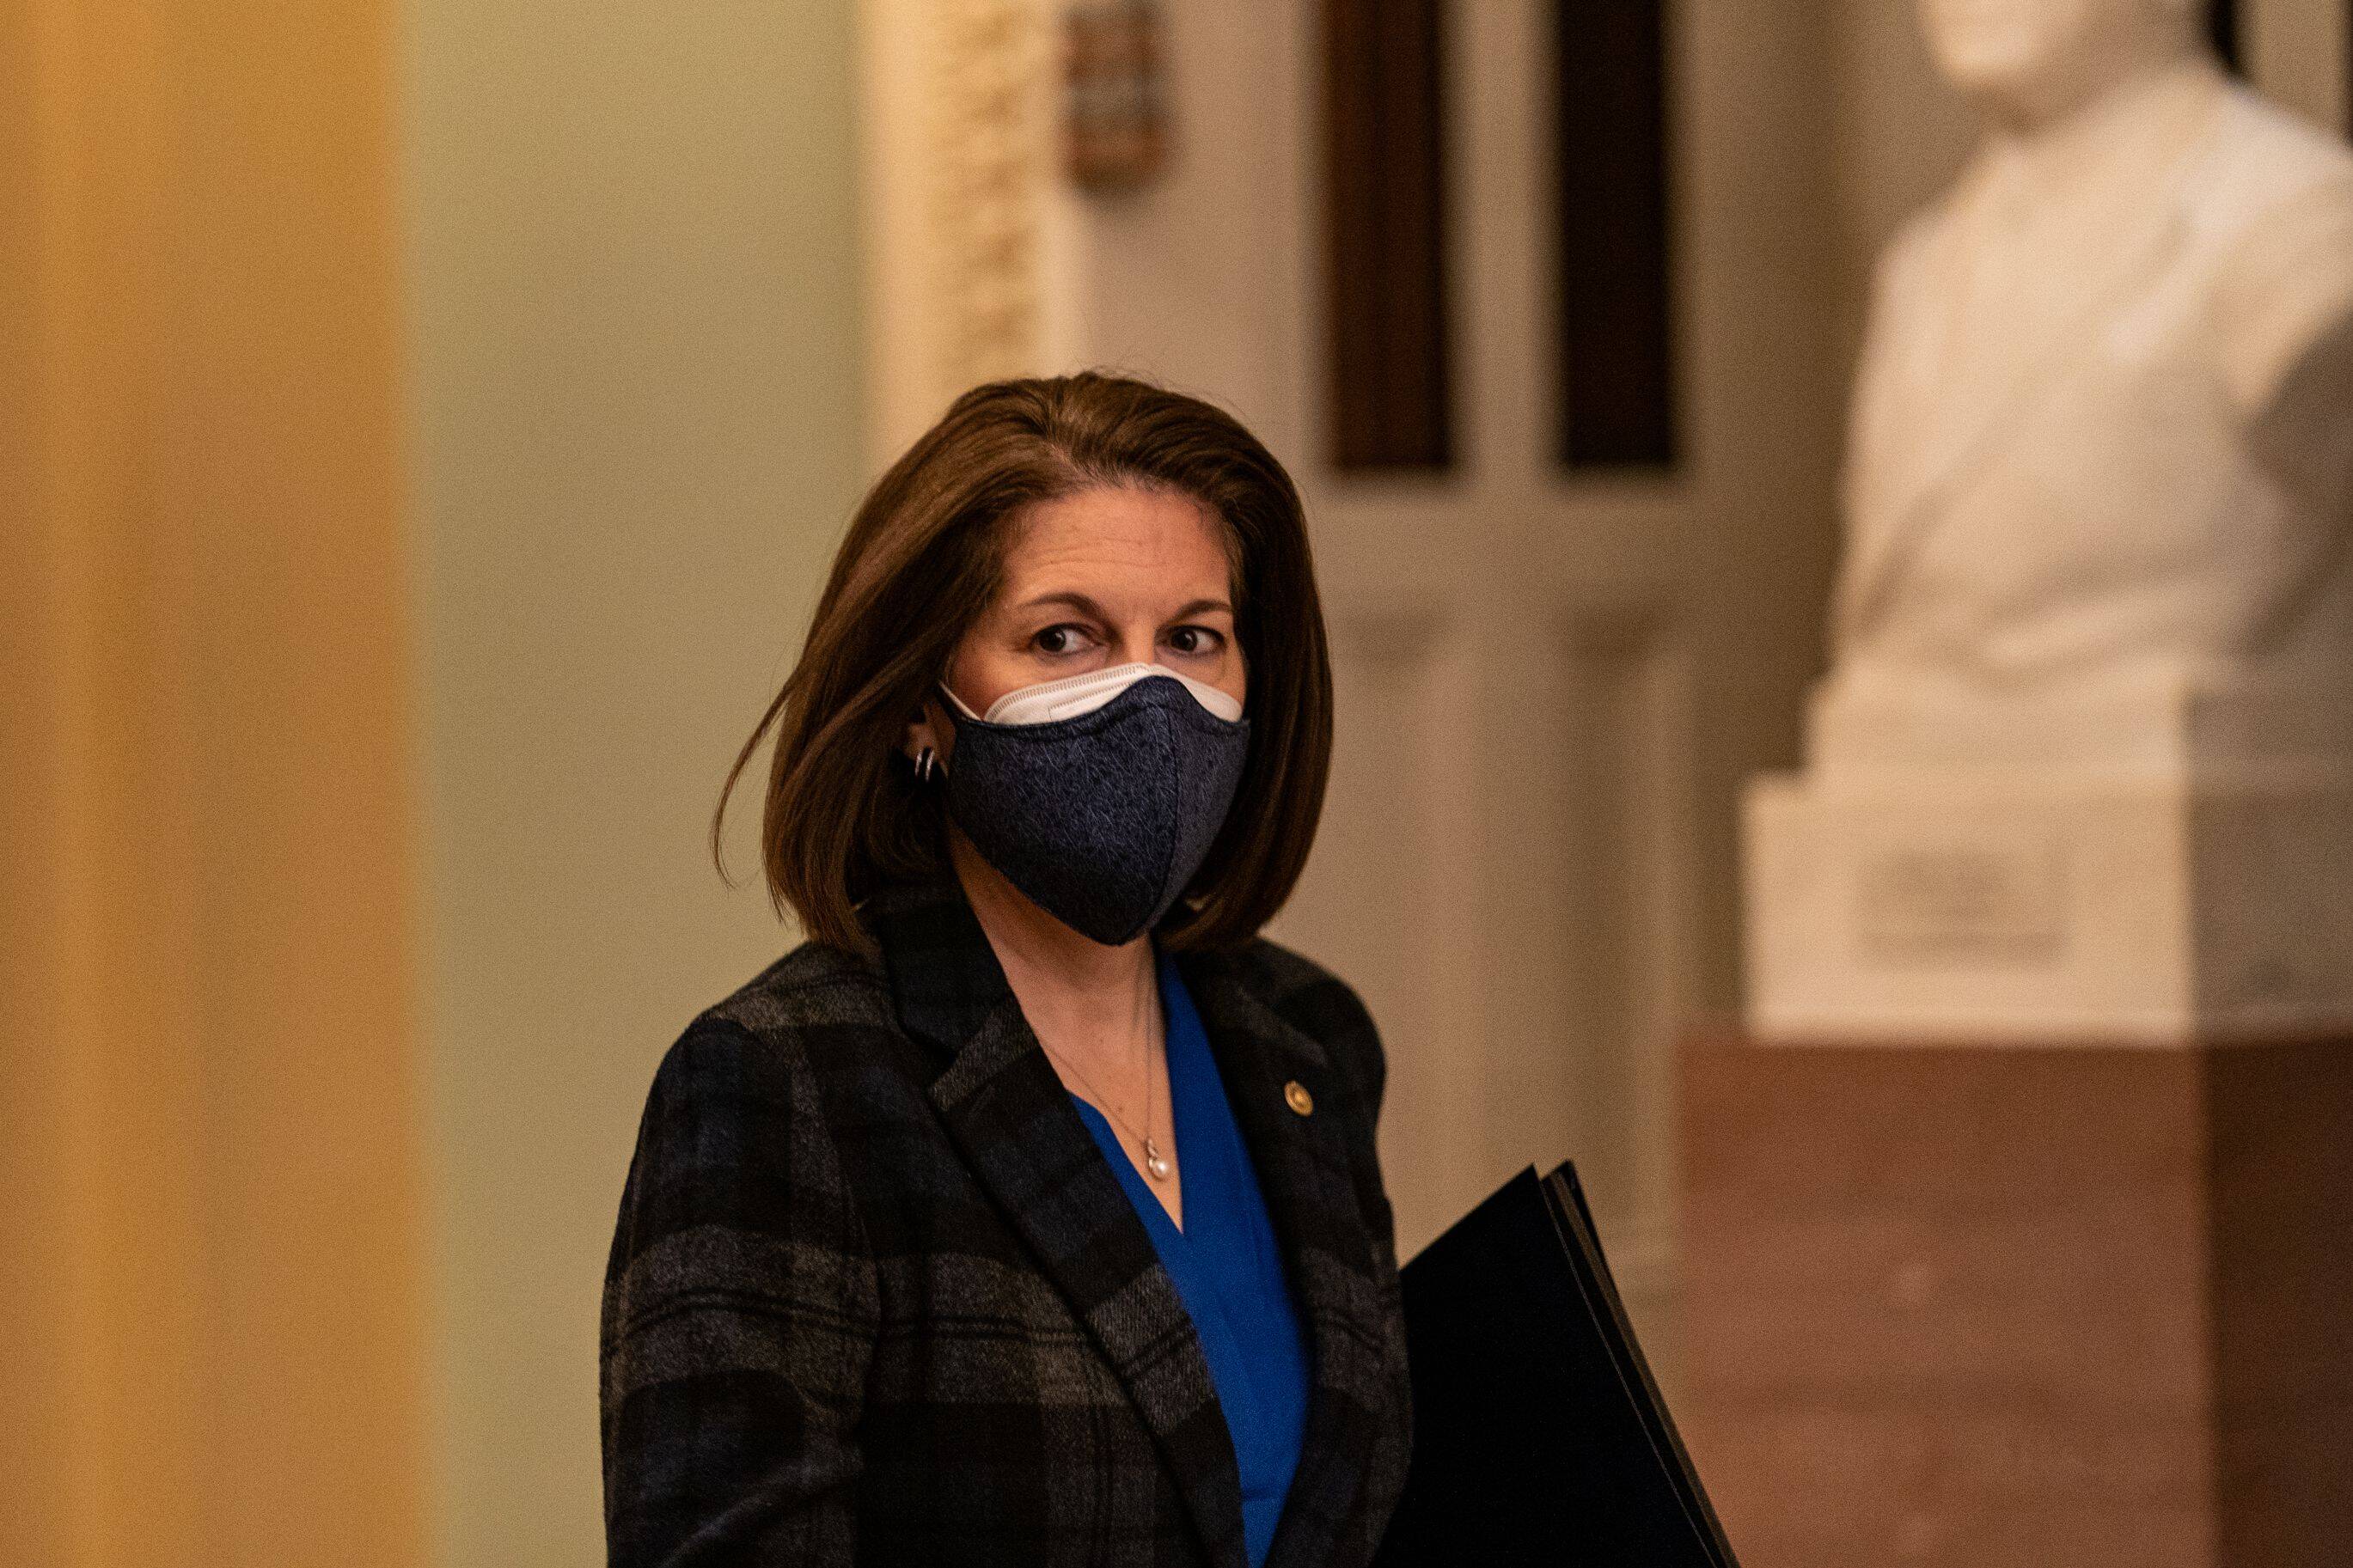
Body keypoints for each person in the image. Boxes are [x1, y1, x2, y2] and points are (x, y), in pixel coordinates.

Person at [600, 372, 1412, 1568]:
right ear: (918, 707)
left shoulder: (1308, 1040)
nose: (1147, 697)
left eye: (1193, 638)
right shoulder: (781, 1084)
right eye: (1063, 637)